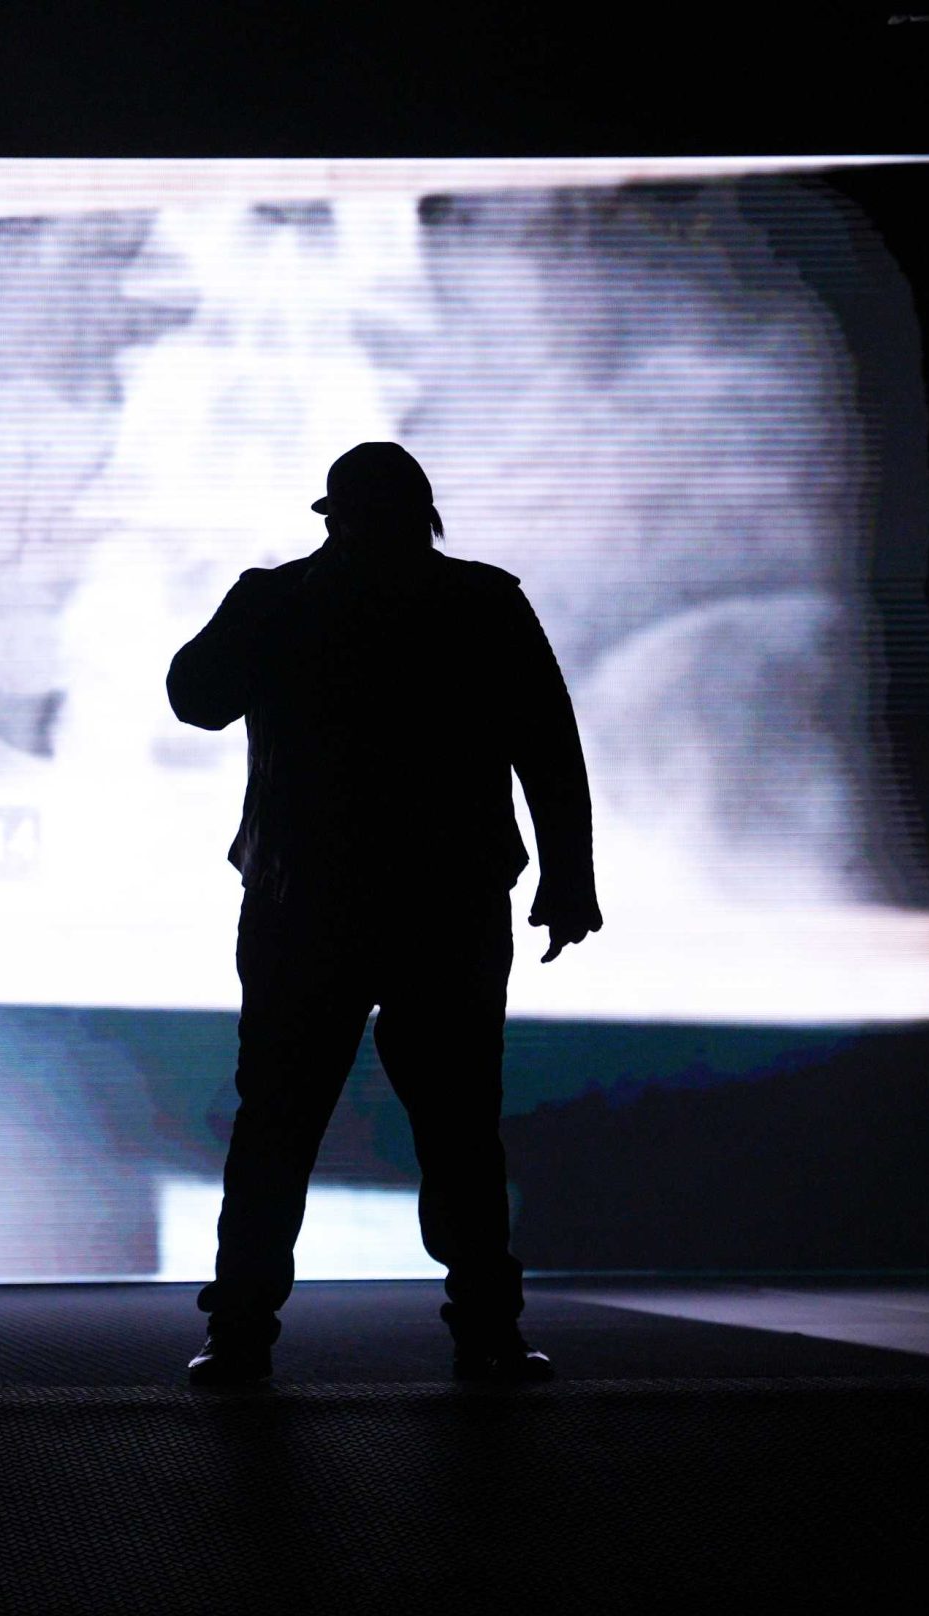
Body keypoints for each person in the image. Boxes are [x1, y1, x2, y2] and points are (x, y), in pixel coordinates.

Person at [167, 442, 602, 1385]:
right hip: (435, 907)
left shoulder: (286, 600)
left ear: (333, 518)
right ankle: (483, 1327)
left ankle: (242, 1329)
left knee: (286, 1125)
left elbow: (193, 696)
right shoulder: (481, 603)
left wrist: (263, 611)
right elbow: (548, 747)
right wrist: (568, 879)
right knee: (452, 1126)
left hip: (314, 904)